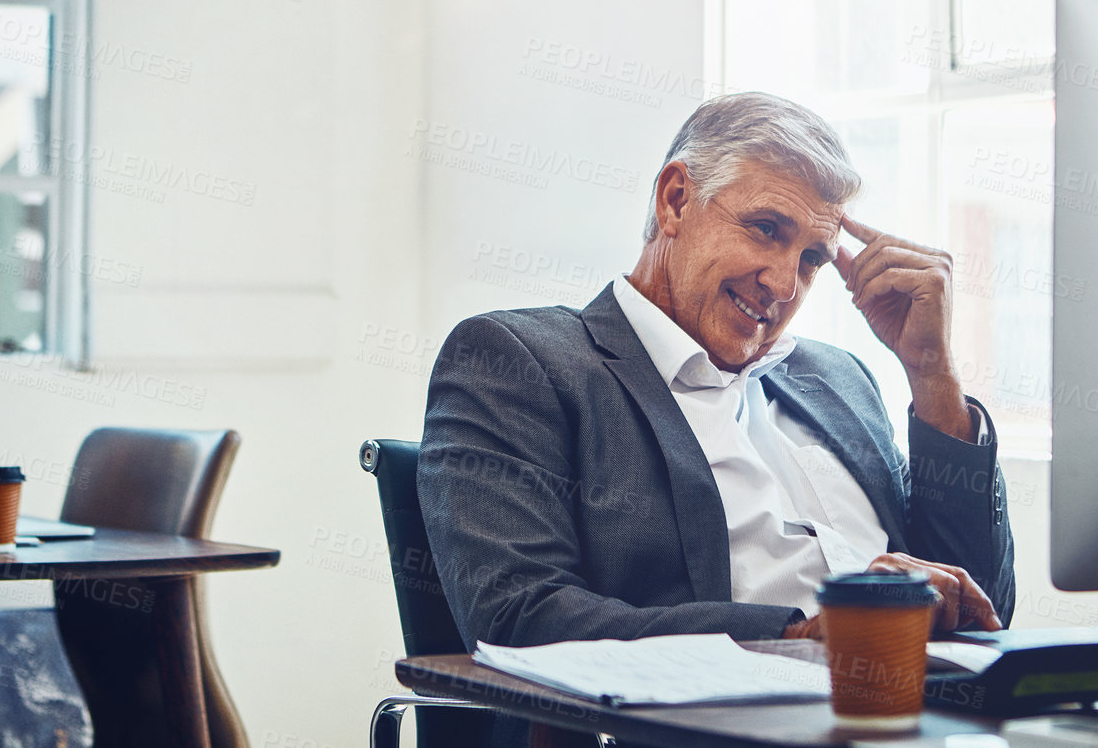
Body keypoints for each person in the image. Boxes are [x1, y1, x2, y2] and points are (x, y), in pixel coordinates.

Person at [418, 92, 1014, 658]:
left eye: (812, 259)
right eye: (766, 229)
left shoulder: (840, 379)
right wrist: (801, 635)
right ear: (676, 200)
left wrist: (932, 373)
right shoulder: (521, 363)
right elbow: (519, 619)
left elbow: (984, 608)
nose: (785, 285)